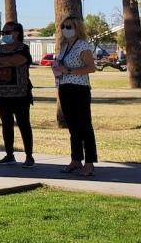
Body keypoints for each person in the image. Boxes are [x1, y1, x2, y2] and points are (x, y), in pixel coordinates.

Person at [0, 21, 34, 167]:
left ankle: (29, 156)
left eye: (7, 32)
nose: (4, 35)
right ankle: (9, 154)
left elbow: (20, 60)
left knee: (24, 124)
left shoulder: (23, 48)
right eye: (3, 33)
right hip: (1, 94)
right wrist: (7, 61)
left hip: (20, 94)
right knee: (6, 124)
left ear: (16, 33)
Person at [53, 16, 97, 177]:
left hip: (79, 89)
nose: (65, 29)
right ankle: (76, 159)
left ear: (77, 28)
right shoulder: (64, 46)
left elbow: (91, 68)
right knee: (72, 127)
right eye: (63, 26)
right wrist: (58, 69)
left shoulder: (82, 45)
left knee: (84, 126)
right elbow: (61, 66)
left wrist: (69, 71)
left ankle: (90, 163)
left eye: (69, 26)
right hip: (65, 88)